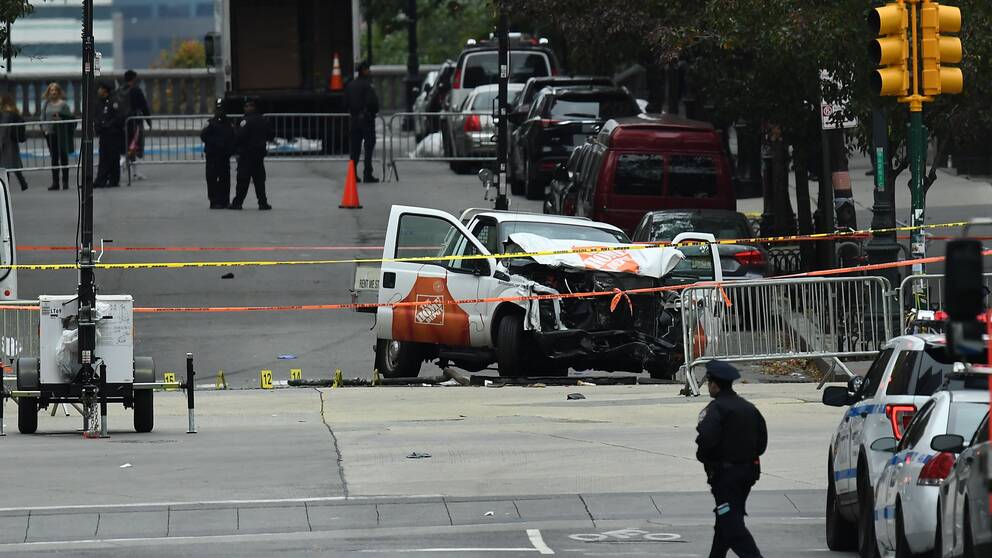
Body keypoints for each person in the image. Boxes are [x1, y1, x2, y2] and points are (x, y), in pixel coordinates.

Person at [695, 360, 767, 558]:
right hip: (748, 474)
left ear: (715, 385)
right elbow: (762, 443)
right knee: (724, 520)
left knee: (730, 524)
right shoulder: (749, 408)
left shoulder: (716, 409)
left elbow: (706, 440)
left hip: (725, 476)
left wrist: (705, 458)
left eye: (709, 382)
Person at [228, 98, 273, 210]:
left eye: (247, 106)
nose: (245, 108)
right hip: (259, 154)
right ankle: (263, 203)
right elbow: (271, 135)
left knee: (243, 180)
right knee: (259, 181)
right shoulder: (263, 120)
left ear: (251, 107)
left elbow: (239, 137)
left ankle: (237, 203)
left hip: (247, 154)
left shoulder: (246, 121)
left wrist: (235, 147)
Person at [343, 60, 380, 183]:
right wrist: (372, 112)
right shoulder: (368, 85)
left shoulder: (350, 85)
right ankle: (367, 173)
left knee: (355, 149)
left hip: (354, 120)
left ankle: (352, 174)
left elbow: (345, 103)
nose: (369, 71)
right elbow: (372, 103)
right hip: (366, 120)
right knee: (368, 148)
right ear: (364, 70)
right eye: (368, 69)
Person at [200, 100, 235, 209]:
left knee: (225, 179)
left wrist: (232, 150)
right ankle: (214, 201)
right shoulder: (210, 123)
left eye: (222, 109)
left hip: (224, 156)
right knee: (212, 179)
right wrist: (216, 143)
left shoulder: (229, 123)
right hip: (213, 156)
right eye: (219, 109)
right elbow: (203, 136)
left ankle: (225, 200)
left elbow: (233, 137)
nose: (220, 111)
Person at [41, 83, 75, 190]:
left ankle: (65, 182)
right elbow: (42, 118)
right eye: (51, 90)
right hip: (50, 134)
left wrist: (60, 118)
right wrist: (44, 130)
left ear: (59, 92)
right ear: (49, 92)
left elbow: (70, 118)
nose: (53, 92)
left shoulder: (64, 105)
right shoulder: (46, 104)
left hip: (62, 134)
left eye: (55, 90)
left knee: (64, 157)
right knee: (54, 158)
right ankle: (55, 182)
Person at [121, 69, 151, 181]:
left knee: (127, 146)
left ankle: (132, 170)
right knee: (134, 146)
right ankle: (128, 167)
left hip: (124, 122)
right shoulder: (136, 90)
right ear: (133, 79)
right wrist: (148, 120)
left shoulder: (121, 90)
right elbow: (144, 106)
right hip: (135, 122)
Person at [94, 81, 125, 188]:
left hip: (113, 134)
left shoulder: (114, 101)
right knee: (103, 158)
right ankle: (100, 180)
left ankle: (114, 180)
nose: (98, 91)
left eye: (100, 88)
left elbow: (118, 117)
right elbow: (98, 116)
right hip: (104, 134)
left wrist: (107, 125)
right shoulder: (100, 102)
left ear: (105, 90)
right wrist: (98, 127)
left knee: (113, 157)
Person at [0, 94, 28, 191]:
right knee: (14, 164)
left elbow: (3, 130)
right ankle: (23, 183)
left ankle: (5, 186)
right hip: (13, 142)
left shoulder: (5, 114)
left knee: (4, 166)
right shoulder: (14, 113)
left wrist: (1, 142)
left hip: (6, 144)